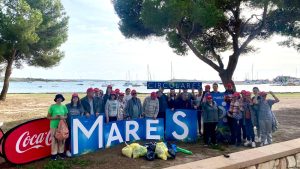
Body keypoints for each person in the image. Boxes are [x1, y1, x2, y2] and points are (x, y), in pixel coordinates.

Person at [47, 94, 68, 160]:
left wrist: (62, 117)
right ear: (56, 99)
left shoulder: (64, 107)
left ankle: (61, 153)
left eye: (60, 98)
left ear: (62, 99)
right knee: (54, 140)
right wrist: (54, 117)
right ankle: (54, 154)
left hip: (62, 126)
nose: (59, 99)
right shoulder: (52, 106)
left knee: (62, 139)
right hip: (54, 125)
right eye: (58, 98)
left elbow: (66, 116)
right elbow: (48, 117)